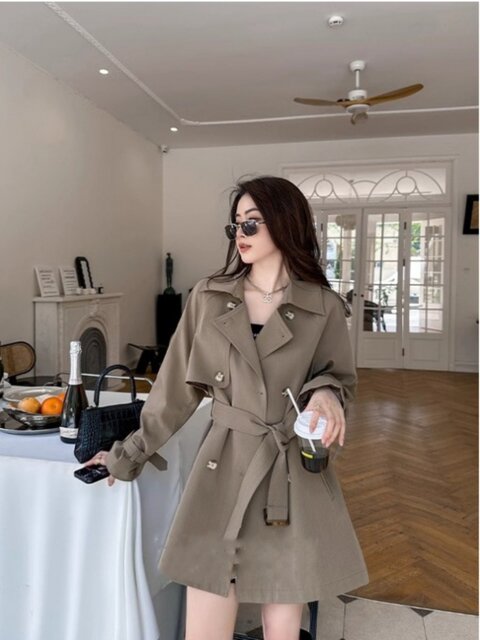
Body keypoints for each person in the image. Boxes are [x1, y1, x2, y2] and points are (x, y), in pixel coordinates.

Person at [86, 176, 368, 640]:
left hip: (288, 472)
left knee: (283, 622)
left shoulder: (324, 306)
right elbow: (174, 390)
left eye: (252, 223)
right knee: (207, 612)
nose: (240, 233)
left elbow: (337, 376)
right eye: (235, 224)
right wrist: (129, 452)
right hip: (223, 465)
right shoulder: (209, 296)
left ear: (285, 223)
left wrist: (324, 393)